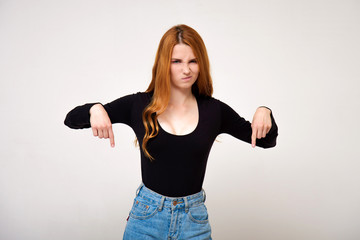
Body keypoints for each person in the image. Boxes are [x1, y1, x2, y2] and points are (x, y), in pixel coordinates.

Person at [64, 24, 278, 240]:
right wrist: (95, 108)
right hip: (146, 218)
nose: (186, 70)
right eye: (177, 61)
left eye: (193, 61)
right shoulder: (139, 105)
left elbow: (267, 140)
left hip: (193, 220)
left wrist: (265, 110)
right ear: (164, 64)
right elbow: (71, 120)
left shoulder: (214, 111)